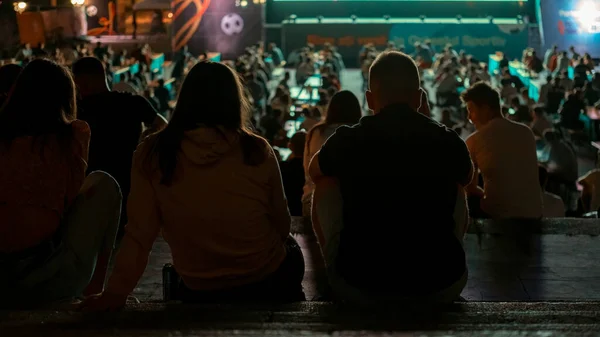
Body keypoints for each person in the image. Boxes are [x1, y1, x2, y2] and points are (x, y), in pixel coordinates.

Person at [81, 62, 305, 311]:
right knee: (293, 252)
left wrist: (115, 295)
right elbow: (282, 225)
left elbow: (138, 237)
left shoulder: (152, 154)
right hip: (264, 277)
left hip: (200, 285)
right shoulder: (257, 149)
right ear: (234, 101)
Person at [309, 51, 472, 306]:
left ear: (370, 99)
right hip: (441, 286)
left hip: (358, 285)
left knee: (325, 182)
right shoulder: (448, 141)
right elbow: (468, 177)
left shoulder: (348, 139)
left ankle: (333, 268)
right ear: (419, 98)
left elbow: (313, 170)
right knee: (458, 187)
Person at [0, 59, 121, 307]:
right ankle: (95, 290)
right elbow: (71, 198)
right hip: (49, 280)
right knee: (104, 185)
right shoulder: (74, 135)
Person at [72, 57, 167, 235]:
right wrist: (143, 144)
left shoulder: (79, 111)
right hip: (130, 191)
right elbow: (162, 126)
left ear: (84, 80)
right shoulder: (132, 102)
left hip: (92, 194)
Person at [462, 82, 542, 219]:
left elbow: (470, 189)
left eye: (471, 110)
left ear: (486, 109)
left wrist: (487, 196)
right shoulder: (525, 132)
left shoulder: (473, 141)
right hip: (534, 213)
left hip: (498, 215)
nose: (469, 117)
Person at [302, 90, 362, 216]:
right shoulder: (359, 134)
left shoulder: (316, 132)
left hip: (311, 201)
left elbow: (308, 170)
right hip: (349, 205)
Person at [280, 131, 307, 216]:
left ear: (290, 146)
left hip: (287, 211)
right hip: (305, 211)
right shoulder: (312, 169)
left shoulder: (282, 167)